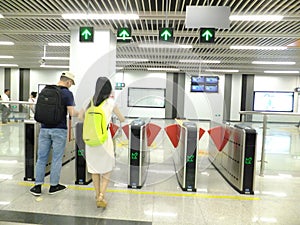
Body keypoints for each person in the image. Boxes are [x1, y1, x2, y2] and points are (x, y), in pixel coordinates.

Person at [30, 71, 79, 196]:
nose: (70, 86)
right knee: (57, 158)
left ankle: (37, 186)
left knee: (41, 158)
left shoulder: (46, 90)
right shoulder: (67, 93)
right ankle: (53, 186)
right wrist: (82, 112)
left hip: (44, 128)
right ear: (68, 82)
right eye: (71, 84)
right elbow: (72, 113)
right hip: (59, 129)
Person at [83, 76, 125, 208]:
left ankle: (97, 194)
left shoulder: (89, 102)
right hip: (104, 139)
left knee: (94, 169)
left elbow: (82, 116)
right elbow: (122, 118)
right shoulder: (110, 102)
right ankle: (102, 195)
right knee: (107, 168)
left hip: (90, 140)